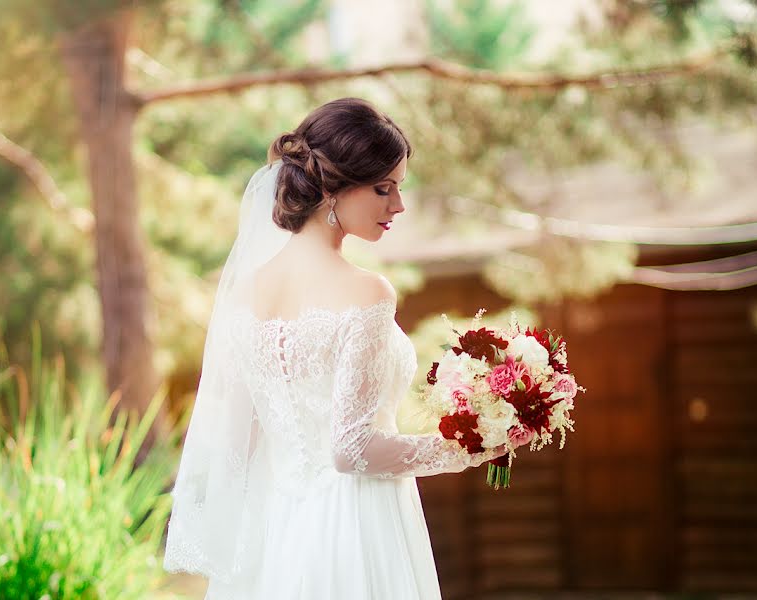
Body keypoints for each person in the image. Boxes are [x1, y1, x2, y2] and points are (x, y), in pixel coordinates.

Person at [163, 97, 508, 599]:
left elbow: (242, 441)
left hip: (278, 530)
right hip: (356, 525)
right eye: (383, 188)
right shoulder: (366, 291)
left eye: (399, 188)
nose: (398, 206)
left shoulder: (245, 292)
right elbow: (351, 450)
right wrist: (467, 448)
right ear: (332, 187)